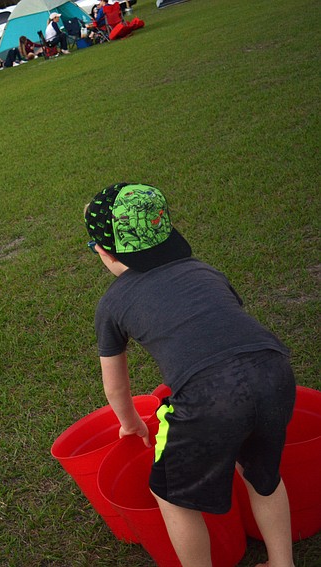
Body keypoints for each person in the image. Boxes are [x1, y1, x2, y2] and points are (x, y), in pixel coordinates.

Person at [84, 183, 295, 567]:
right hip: (274, 368)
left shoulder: (112, 303)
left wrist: (130, 423)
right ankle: (283, 563)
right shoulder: (204, 270)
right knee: (263, 475)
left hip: (209, 393)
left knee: (171, 494)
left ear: (102, 250)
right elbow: (224, 327)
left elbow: (115, 386)